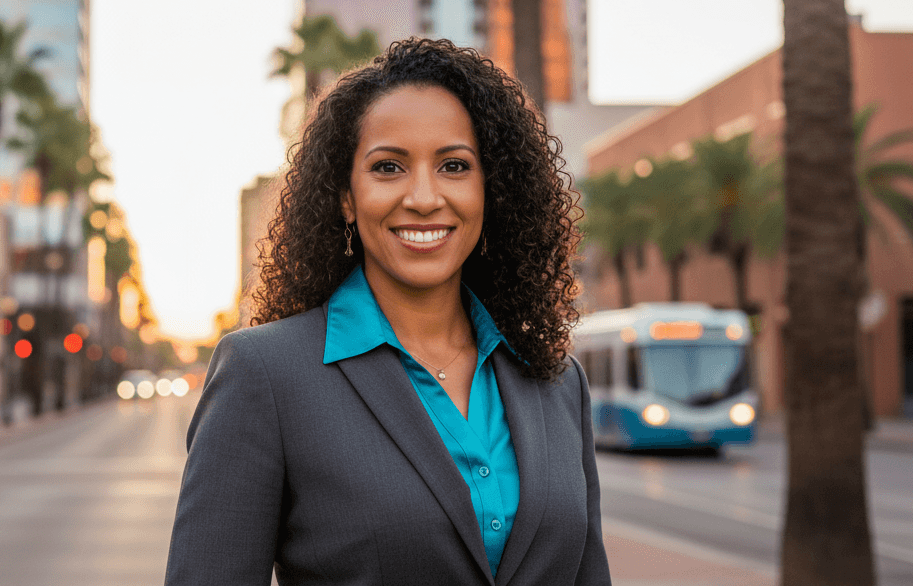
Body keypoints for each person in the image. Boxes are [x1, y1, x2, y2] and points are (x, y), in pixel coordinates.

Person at [165, 38, 610, 586]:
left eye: (453, 165)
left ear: (490, 190)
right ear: (345, 197)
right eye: (388, 168)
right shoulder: (265, 374)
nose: (424, 197)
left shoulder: (556, 381)